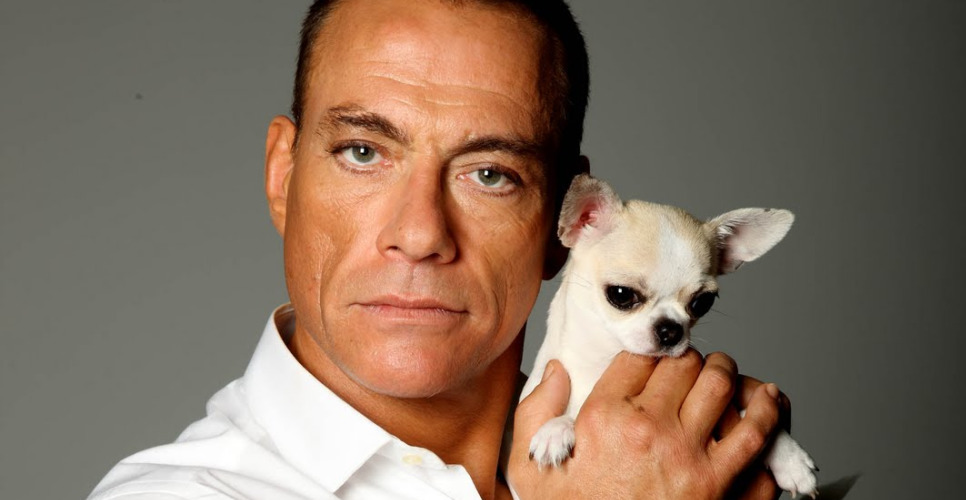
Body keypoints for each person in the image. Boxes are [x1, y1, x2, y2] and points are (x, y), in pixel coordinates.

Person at [89, 0, 788, 498]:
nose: (421, 233)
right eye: (363, 152)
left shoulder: (682, 468)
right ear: (283, 177)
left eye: (490, 174)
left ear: (564, 222)